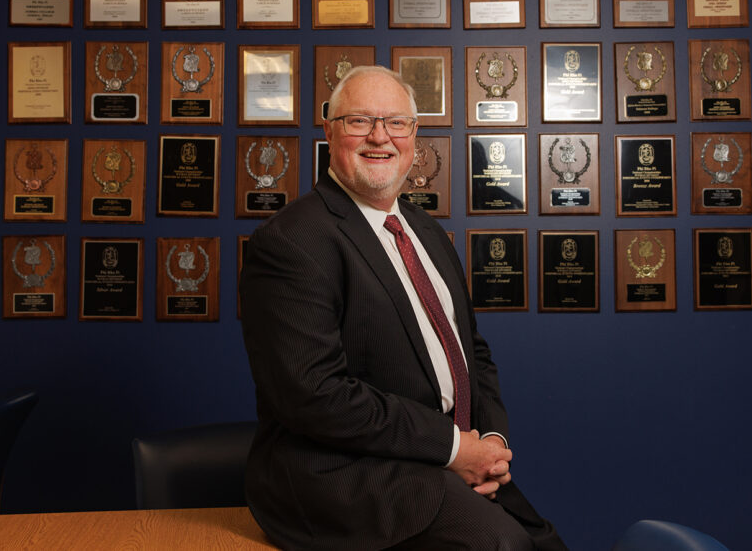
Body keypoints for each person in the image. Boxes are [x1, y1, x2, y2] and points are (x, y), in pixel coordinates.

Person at [240, 66, 567, 550]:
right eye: (359, 122)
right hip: (344, 477)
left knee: (546, 544)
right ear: (329, 130)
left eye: (396, 123)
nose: (380, 137)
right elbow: (315, 394)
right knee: (502, 546)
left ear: (414, 135)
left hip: (442, 459)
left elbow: (472, 351)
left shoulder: (424, 230)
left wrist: (491, 446)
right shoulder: (292, 241)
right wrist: (455, 449)